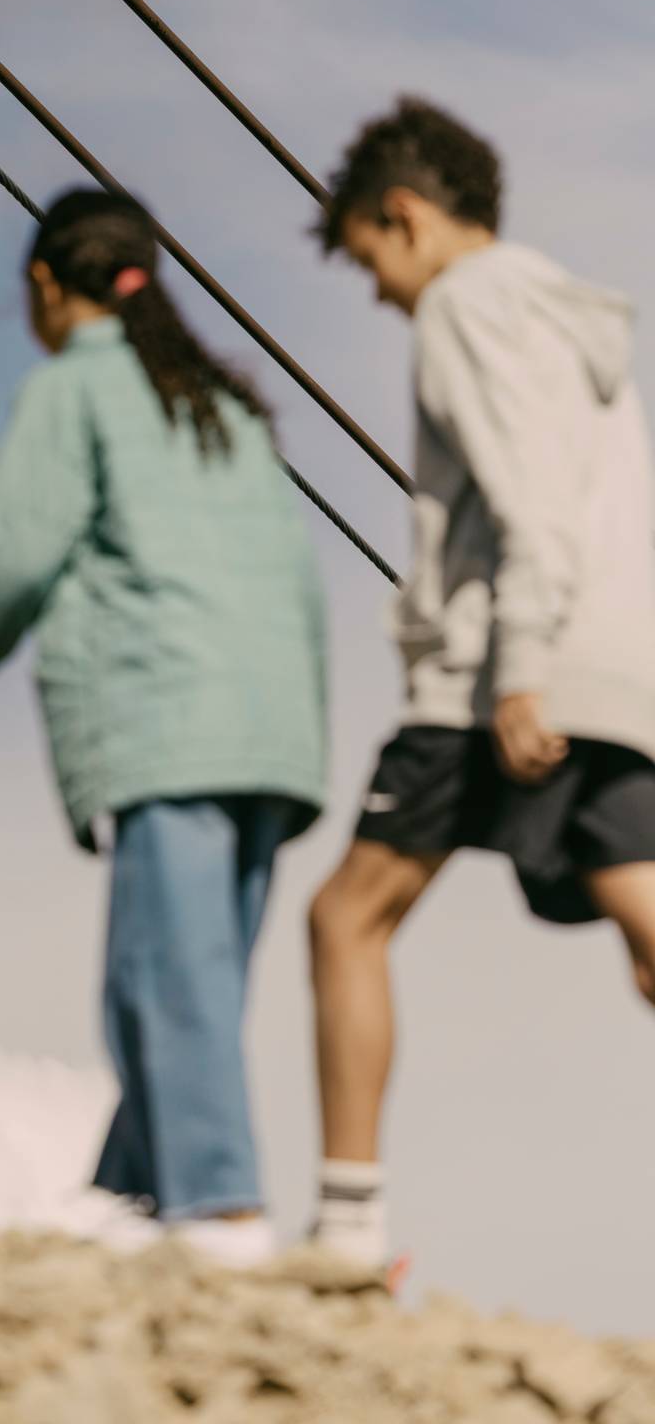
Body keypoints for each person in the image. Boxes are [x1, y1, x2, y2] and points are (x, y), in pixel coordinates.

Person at [0, 187, 327, 1267]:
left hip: (168, 716)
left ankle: (224, 1214)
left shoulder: (76, 390)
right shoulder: (222, 407)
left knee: (162, 976)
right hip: (271, 734)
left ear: (49, 284)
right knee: (197, 974)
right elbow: (302, 586)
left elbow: (12, 556)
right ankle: (130, 1198)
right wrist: (303, 736)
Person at [306, 98, 655, 1271]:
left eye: (370, 263)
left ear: (401, 217)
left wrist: (517, 671)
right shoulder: (566, 312)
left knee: (345, 915)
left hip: (507, 673)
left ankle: (349, 1231)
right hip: (622, 667)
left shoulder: (466, 306)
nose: (381, 293)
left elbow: (528, 504)